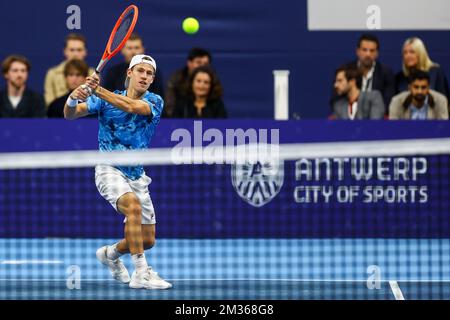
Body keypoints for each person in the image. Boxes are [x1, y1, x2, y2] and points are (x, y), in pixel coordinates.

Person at [64, 54, 172, 290]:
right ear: (129, 73)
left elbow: (132, 106)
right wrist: (73, 98)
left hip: (137, 175)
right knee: (132, 206)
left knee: (147, 240)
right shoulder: (102, 101)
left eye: (149, 73)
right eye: (140, 71)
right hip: (108, 168)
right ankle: (141, 273)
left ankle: (110, 254)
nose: (144, 76)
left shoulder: (155, 101)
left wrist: (97, 89)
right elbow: (70, 114)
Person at [330, 34, 395, 111]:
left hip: (376, 118)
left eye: (372, 51)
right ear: (357, 51)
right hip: (349, 117)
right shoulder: (346, 71)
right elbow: (336, 98)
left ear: (377, 53)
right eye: (364, 50)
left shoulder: (386, 73)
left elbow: (388, 102)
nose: (368, 54)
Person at [44, 33, 94, 106]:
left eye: (79, 50)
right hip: (58, 114)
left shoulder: (93, 74)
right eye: (72, 50)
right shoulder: (52, 74)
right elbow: (49, 103)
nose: (75, 54)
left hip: (86, 115)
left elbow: (96, 102)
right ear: (65, 51)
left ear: (85, 52)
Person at [164, 47, 215, 117]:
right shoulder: (176, 79)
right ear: (189, 63)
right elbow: (169, 108)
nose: (202, 66)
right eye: (199, 62)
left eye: (205, 64)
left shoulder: (212, 81)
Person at [395, 37, 450, 101]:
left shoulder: (436, 72)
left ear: (421, 54)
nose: (408, 56)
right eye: (405, 52)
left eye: (412, 52)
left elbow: (444, 100)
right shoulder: (400, 77)